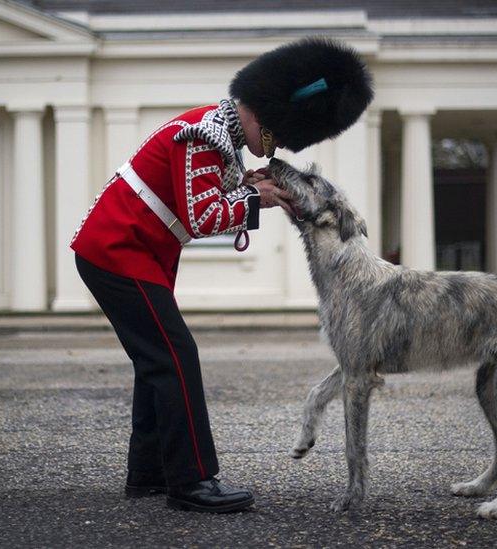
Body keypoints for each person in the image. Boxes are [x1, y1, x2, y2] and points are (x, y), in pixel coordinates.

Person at [70, 37, 373, 513]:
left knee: (156, 364)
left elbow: (207, 189)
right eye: (271, 134)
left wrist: (249, 186)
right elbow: (201, 216)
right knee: (176, 357)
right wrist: (260, 200)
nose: (268, 147)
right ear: (257, 112)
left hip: (135, 253)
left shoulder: (218, 133)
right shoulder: (205, 135)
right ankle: (191, 482)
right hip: (118, 251)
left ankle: (147, 474)